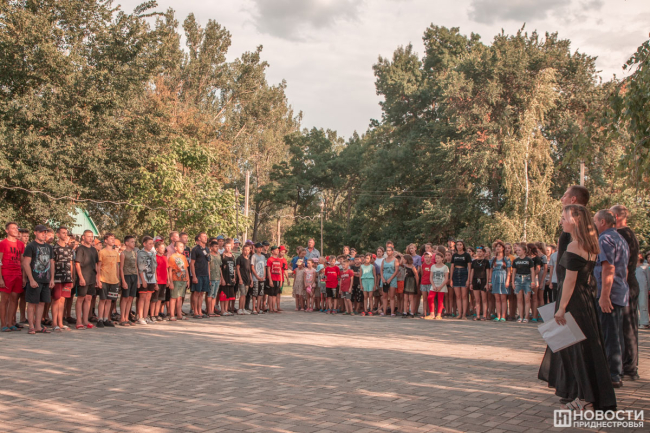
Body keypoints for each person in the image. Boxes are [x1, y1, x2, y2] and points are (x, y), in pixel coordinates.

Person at [542, 204, 617, 411]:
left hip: (574, 301)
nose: (561, 221)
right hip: (585, 299)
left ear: (575, 220)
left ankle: (585, 398)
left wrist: (561, 308)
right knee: (585, 348)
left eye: (564, 218)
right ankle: (585, 395)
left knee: (577, 350)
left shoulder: (575, 245)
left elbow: (570, 281)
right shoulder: (589, 244)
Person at [539, 184, 590, 404]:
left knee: (570, 341)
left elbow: (571, 274)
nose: (561, 199)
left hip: (571, 294)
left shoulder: (576, 237)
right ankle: (569, 386)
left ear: (574, 200)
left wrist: (562, 305)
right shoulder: (577, 233)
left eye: (565, 195)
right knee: (565, 342)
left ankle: (574, 388)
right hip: (568, 291)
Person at [593, 209, 630, 389]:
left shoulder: (604, 239)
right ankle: (617, 370)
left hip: (610, 293)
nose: (593, 224)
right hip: (619, 291)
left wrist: (604, 296)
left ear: (602, 222)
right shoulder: (620, 238)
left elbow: (608, 268)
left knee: (609, 334)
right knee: (615, 333)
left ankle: (613, 374)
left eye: (595, 221)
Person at [610, 205, 640, 381]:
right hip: (628, 284)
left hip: (625, 284)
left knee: (626, 326)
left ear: (616, 217)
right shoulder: (629, 234)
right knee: (628, 326)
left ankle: (629, 367)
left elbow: (623, 264)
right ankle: (629, 366)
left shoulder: (622, 235)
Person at [21, 225, 55, 334]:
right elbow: (26, 263)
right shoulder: (31, 246)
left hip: (46, 279)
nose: (44, 234)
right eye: (41, 232)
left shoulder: (49, 247)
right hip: (35, 279)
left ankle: (38, 326)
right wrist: (30, 279)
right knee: (32, 303)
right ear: (35, 233)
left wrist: (52, 279)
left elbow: (51, 263)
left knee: (42, 303)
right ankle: (31, 326)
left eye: (45, 232)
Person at [0, 222, 25, 332]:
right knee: (4, 300)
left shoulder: (20, 244)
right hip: (6, 273)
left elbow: (23, 261)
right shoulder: (3, 243)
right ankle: (3, 324)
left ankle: (10, 323)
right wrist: (0, 278)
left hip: (17, 274)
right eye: (13, 228)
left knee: (14, 299)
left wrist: (24, 277)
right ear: (7, 230)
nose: (16, 230)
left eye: (16, 228)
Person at [75, 230, 99, 330]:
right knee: (81, 298)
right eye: (88, 236)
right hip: (83, 277)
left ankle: (85, 320)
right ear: (83, 237)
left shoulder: (94, 250)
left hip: (92, 277)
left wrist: (97, 278)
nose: (90, 238)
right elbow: (77, 264)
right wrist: (81, 277)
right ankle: (78, 321)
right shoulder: (80, 249)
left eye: (91, 236)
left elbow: (96, 264)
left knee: (89, 298)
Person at [51, 227, 74, 332]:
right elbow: (52, 263)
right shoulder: (54, 248)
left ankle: (60, 322)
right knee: (56, 299)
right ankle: (54, 323)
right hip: (57, 277)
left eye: (66, 233)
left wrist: (71, 278)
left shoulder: (69, 249)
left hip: (67, 277)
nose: (65, 235)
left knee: (63, 300)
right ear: (58, 234)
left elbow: (71, 263)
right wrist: (52, 278)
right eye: (63, 233)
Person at [96, 233, 119, 328]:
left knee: (109, 300)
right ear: (105, 241)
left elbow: (117, 266)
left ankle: (106, 318)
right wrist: (98, 280)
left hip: (113, 280)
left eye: (114, 238)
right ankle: (100, 319)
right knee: (103, 299)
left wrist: (118, 278)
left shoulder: (115, 253)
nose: (113, 240)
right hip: (104, 279)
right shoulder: (102, 252)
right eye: (111, 238)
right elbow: (98, 266)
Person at [512, 243, 536, 323]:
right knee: (519, 299)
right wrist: (513, 282)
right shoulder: (515, 260)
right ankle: (521, 316)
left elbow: (532, 271)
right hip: (518, 279)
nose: (518, 252)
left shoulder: (529, 260)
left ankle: (526, 317)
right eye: (517, 250)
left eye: (519, 250)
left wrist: (533, 281)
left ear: (524, 251)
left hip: (527, 279)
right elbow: (514, 272)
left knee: (527, 299)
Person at [136, 236, 158, 325]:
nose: (151, 245)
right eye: (149, 244)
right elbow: (140, 267)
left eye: (152, 244)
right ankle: (140, 317)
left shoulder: (153, 254)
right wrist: (142, 280)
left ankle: (145, 316)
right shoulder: (140, 253)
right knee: (142, 297)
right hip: (144, 277)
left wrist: (155, 280)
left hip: (151, 277)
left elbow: (154, 267)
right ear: (144, 244)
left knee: (148, 297)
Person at [488, 241, 511, 322]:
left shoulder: (506, 259)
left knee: (503, 298)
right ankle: (498, 315)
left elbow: (509, 271)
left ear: (503, 248)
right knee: (497, 298)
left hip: (503, 277)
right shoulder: (493, 259)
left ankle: (503, 316)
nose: (498, 248)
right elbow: (490, 270)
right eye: (496, 247)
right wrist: (490, 281)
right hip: (495, 278)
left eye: (499, 246)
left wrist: (507, 280)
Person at [190, 232, 211, 319]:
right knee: (196, 293)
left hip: (205, 274)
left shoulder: (207, 249)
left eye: (206, 236)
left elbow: (208, 263)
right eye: (203, 236)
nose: (206, 238)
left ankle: (200, 311)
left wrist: (209, 276)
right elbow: (192, 263)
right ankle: (195, 311)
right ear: (199, 238)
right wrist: (194, 276)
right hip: (198, 274)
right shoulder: (195, 249)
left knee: (202, 293)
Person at [119, 235, 138, 326]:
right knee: (125, 297)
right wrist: (123, 281)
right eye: (132, 242)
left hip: (134, 275)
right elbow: (121, 268)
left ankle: (127, 317)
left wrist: (138, 280)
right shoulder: (123, 254)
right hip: (126, 276)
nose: (133, 243)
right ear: (126, 243)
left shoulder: (135, 253)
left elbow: (136, 266)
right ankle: (122, 318)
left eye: (134, 242)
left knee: (131, 297)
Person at [168, 241, 189, 321]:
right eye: (180, 246)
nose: (182, 248)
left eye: (183, 247)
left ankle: (179, 314)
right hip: (175, 279)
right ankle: (172, 315)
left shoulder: (183, 257)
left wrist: (188, 279)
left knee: (180, 297)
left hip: (183, 279)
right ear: (175, 248)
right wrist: (170, 282)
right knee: (174, 297)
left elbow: (186, 268)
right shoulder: (172, 257)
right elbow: (170, 270)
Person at [450, 240, 472, 319]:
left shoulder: (467, 255)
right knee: (458, 296)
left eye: (460, 244)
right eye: (457, 245)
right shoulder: (454, 255)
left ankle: (464, 314)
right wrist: (451, 279)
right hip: (456, 273)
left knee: (464, 296)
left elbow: (469, 268)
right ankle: (459, 313)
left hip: (464, 273)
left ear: (463, 246)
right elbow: (452, 267)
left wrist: (468, 279)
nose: (459, 246)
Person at [469, 246, 490, 321]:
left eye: (480, 251)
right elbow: (472, 272)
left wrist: (487, 283)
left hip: (483, 280)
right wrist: (471, 282)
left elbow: (487, 272)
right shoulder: (474, 262)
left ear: (483, 252)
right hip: (475, 280)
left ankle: (484, 315)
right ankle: (477, 315)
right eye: (477, 251)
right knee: (477, 299)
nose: (479, 253)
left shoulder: (486, 262)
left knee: (484, 299)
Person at [427, 251, 449, 320]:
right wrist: (433, 285)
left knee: (440, 300)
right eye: (436, 258)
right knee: (430, 297)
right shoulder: (433, 266)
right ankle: (432, 314)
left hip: (441, 285)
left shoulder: (445, 267)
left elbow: (446, 278)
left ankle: (439, 314)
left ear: (442, 258)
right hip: (434, 285)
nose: (437, 259)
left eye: (438, 258)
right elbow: (431, 277)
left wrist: (440, 286)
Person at [153, 241, 171, 321]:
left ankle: (157, 314)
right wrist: (156, 281)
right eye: (161, 248)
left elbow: (166, 269)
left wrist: (168, 280)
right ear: (157, 249)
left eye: (164, 248)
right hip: (158, 281)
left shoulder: (165, 258)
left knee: (160, 299)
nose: (163, 249)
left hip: (164, 281)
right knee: (155, 299)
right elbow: (154, 270)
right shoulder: (155, 257)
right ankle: (153, 314)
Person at [219, 238, 237, 316]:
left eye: (229, 246)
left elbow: (234, 267)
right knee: (223, 294)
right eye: (226, 246)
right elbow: (220, 268)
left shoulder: (232, 256)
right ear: (224, 247)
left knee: (228, 295)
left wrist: (234, 277)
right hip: (224, 277)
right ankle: (222, 310)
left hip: (231, 277)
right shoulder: (222, 256)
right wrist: (222, 278)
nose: (228, 248)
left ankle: (226, 310)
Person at [236, 243, 252, 315]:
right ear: (242, 250)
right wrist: (240, 278)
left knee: (245, 294)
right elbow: (237, 269)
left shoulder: (248, 259)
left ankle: (243, 308)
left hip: (247, 279)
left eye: (248, 250)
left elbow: (249, 271)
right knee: (242, 294)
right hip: (242, 279)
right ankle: (240, 308)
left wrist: (251, 280)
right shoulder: (239, 258)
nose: (246, 252)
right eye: (245, 250)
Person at [207, 240, 222, 317]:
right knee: (210, 294)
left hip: (217, 277)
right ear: (211, 247)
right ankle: (209, 311)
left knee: (215, 295)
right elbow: (208, 267)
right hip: (212, 277)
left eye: (217, 246)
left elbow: (220, 267)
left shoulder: (218, 256)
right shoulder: (209, 255)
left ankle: (212, 310)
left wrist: (221, 277)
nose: (217, 248)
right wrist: (209, 278)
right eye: (215, 246)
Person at [250, 243, 266, 315]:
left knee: (260, 293)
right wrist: (257, 276)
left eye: (261, 247)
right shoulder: (254, 256)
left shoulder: (263, 256)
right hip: (256, 278)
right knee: (255, 294)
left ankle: (258, 308)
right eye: (259, 247)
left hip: (262, 277)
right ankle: (254, 308)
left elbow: (264, 267)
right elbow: (252, 267)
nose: (260, 249)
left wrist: (264, 276)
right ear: (256, 248)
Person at [636, 253, 649, 329]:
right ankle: (637, 322)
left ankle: (645, 322)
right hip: (634, 288)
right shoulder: (632, 266)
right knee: (635, 306)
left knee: (643, 304)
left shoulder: (645, 266)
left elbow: (648, 278)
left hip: (643, 288)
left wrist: (649, 288)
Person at [419, 252, 434, 317]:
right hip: (423, 283)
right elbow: (422, 274)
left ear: (431, 258)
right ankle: (424, 312)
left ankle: (431, 312)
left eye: (428, 257)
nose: (427, 259)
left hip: (430, 283)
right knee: (424, 298)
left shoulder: (433, 265)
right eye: (425, 257)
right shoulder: (422, 265)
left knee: (430, 298)